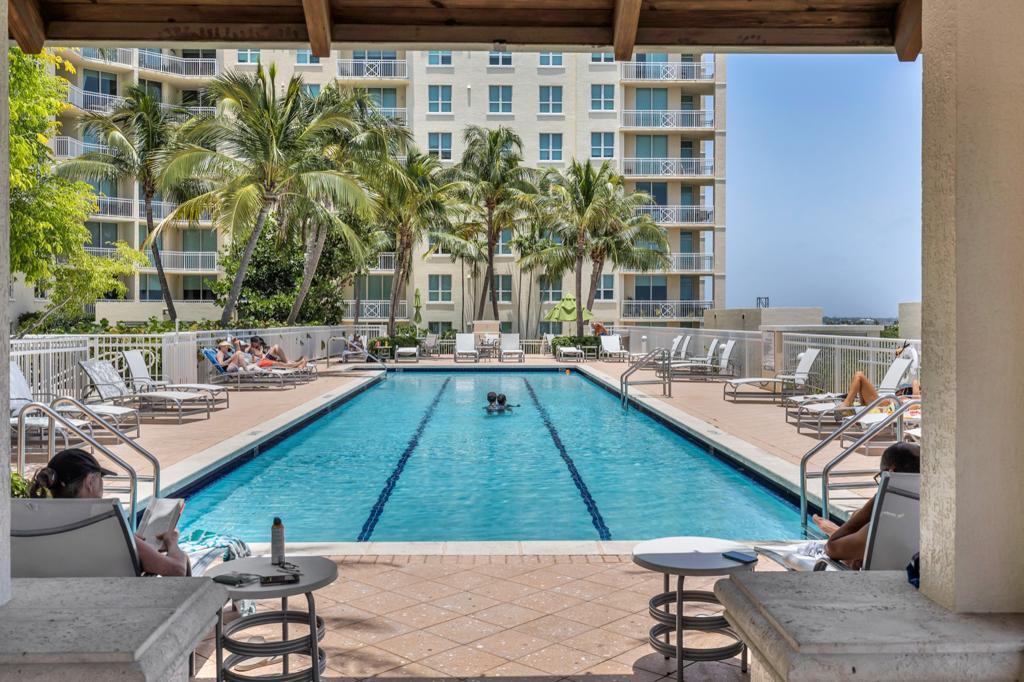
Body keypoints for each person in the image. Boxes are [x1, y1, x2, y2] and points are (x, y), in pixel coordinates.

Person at [28, 449, 189, 576]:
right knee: (184, 559)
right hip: (110, 606)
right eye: (100, 478)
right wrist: (172, 543)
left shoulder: (37, 526)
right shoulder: (109, 528)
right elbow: (177, 570)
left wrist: (135, 544)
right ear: (90, 482)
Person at [811, 442, 921, 567]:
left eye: (881, 475)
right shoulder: (924, 513)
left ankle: (837, 533)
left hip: (881, 584)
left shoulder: (886, 524)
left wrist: (880, 495)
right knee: (856, 514)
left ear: (891, 473)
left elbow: (831, 548)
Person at [839, 342, 921, 408]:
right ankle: (848, 401)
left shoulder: (914, 394)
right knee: (858, 376)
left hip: (884, 403)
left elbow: (916, 402)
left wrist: (915, 384)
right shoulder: (905, 386)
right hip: (881, 399)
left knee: (859, 375)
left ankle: (847, 402)